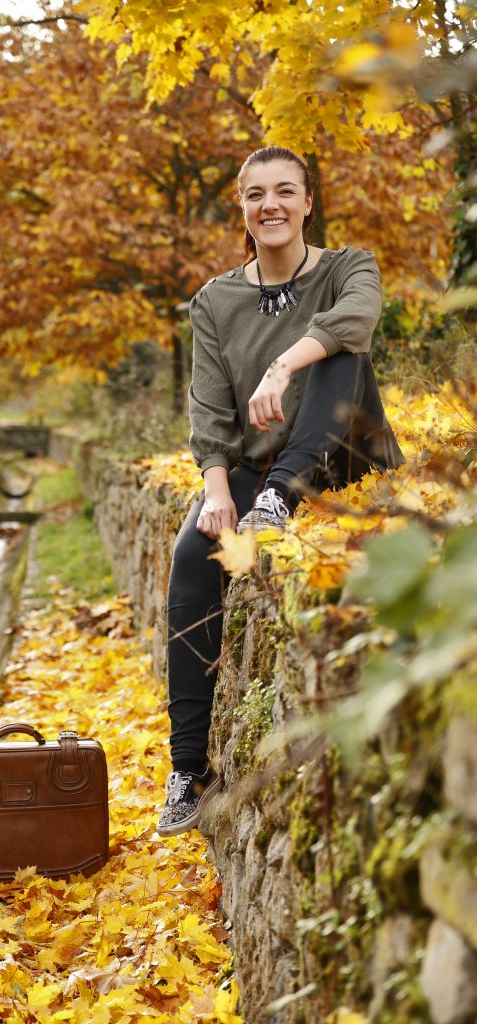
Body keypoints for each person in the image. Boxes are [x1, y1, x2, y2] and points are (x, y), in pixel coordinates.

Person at [156, 146, 404, 838]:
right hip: (254, 470)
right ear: (242, 206)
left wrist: (279, 366)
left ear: (305, 203)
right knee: (189, 556)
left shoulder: (346, 267)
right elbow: (208, 413)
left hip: (343, 460)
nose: (270, 205)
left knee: (341, 346)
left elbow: (354, 320)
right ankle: (187, 768)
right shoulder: (215, 300)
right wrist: (214, 492)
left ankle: (282, 494)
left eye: (284, 192)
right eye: (255, 194)